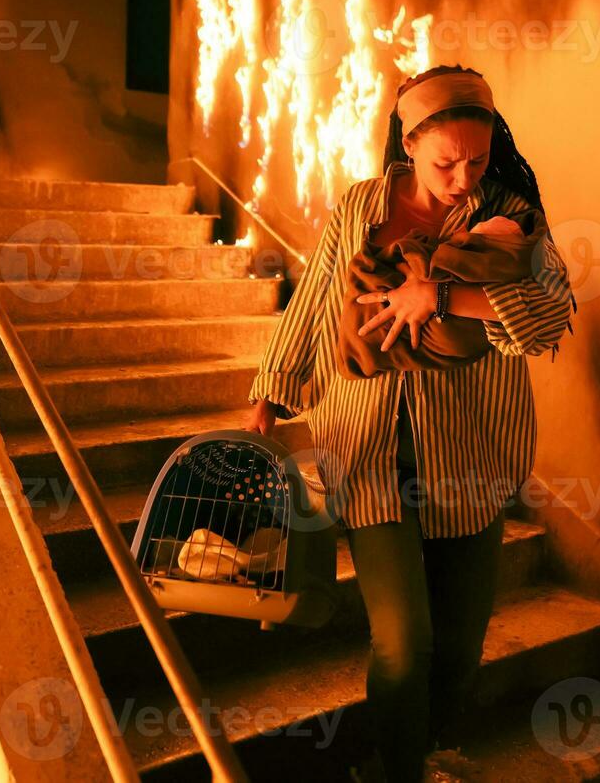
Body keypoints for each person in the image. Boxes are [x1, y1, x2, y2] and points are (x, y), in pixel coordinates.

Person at [242, 65, 577, 782]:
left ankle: (440, 746)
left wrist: (444, 296)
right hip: (366, 448)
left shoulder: (510, 218)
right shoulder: (360, 205)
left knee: (460, 638)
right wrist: (270, 391)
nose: (463, 179)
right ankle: (395, 770)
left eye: (478, 160)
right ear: (408, 144)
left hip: (470, 450)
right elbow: (313, 301)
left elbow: (550, 318)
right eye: (446, 162)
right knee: (404, 640)